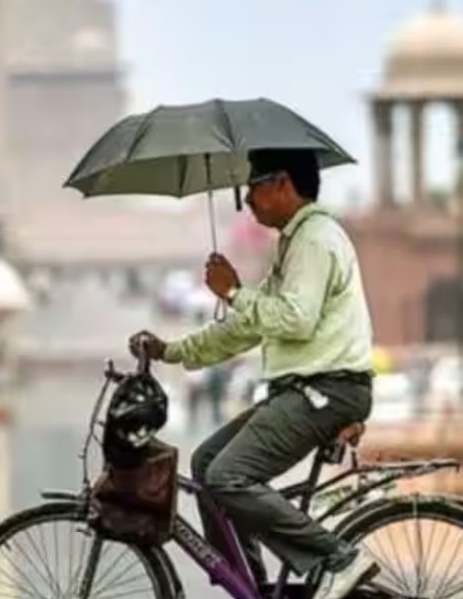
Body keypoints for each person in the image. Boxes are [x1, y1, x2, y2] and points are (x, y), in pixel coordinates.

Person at [129, 148, 378, 598]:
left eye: (252, 188)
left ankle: (340, 558)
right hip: (305, 391)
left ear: (282, 183)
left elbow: (295, 319)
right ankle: (254, 586)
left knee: (228, 476)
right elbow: (249, 326)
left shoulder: (316, 239)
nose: (247, 201)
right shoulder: (294, 243)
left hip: (326, 391)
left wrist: (235, 291)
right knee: (206, 465)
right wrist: (171, 351)